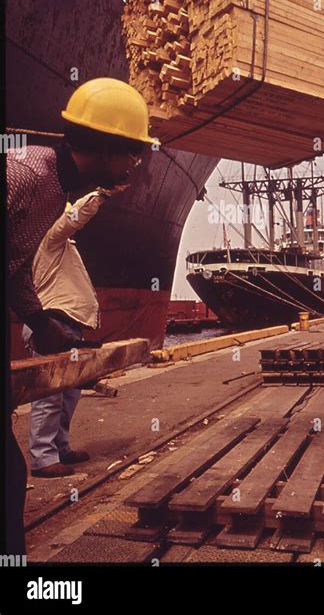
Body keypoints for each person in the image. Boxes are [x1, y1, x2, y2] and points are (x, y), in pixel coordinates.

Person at [6, 77, 155, 554]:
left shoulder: (52, 190)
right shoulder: (23, 174)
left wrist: (36, 318)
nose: (136, 162)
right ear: (103, 148)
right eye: (131, 151)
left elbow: (11, 266)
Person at [24, 189, 125, 478]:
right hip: (52, 327)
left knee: (69, 392)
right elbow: (72, 219)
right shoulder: (49, 238)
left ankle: (60, 447)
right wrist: (102, 193)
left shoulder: (59, 246)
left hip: (66, 325)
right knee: (50, 393)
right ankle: (43, 459)